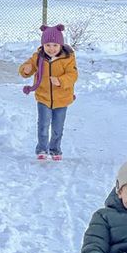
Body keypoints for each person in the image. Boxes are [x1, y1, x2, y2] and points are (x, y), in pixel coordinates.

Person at [19, 24, 78, 161]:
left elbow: (73, 75)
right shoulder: (38, 57)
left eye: (55, 45)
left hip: (62, 99)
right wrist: (26, 70)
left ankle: (55, 149)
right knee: (43, 126)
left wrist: (61, 81)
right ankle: (41, 148)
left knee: (58, 128)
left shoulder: (68, 58)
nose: (51, 49)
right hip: (43, 97)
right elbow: (27, 67)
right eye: (48, 45)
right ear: (43, 45)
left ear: (61, 45)